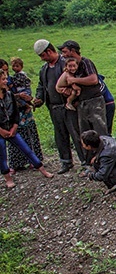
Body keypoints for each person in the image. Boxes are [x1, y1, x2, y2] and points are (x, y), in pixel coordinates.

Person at [33, 39, 86, 174]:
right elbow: (41, 85)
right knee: (60, 135)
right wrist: (39, 98)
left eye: (42, 55)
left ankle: (85, 161)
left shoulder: (66, 63)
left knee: (76, 133)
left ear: (49, 51)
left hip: (68, 105)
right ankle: (66, 161)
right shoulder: (44, 69)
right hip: (54, 107)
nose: (42, 59)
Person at [1, 69, 53, 188]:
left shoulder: (9, 95)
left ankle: (42, 170)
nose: (6, 81)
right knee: (2, 154)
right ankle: (7, 178)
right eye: (3, 79)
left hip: (11, 128)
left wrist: (14, 126)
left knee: (26, 149)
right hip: (1, 130)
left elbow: (14, 112)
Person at [58, 40, 108, 137]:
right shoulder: (69, 66)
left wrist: (75, 80)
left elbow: (94, 80)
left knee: (100, 132)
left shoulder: (86, 62)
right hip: (81, 103)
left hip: (94, 101)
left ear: (72, 51)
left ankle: (103, 151)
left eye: (65, 52)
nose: (63, 55)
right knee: (85, 135)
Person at [8, 57, 44, 173]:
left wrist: (26, 100)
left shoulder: (19, 78)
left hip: (22, 112)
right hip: (13, 115)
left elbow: (27, 90)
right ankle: (18, 163)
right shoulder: (10, 82)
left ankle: (34, 161)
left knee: (29, 134)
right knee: (15, 137)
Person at [80, 130, 116, 201]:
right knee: (98, 164)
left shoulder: (107, 154)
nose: (82, 145)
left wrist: (90, 175)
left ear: (89, 146)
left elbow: (102, 175)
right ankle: (114, 184)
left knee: (109, 173)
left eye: (83, 144)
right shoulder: (102, 139)